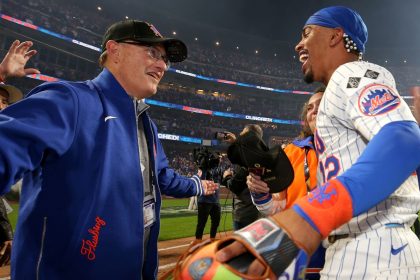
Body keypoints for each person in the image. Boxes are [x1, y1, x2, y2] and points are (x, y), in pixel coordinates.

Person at [0, 20, 217, 279]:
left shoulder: (147, 125)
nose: (162, 66)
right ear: (114, 50)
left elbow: (163, 179)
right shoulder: (68, 100)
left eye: (165, 60)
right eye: (152, 53)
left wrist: (198, 185)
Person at [215, 6, 420, 279]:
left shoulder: (350, 73)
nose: (299, 43)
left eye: (307, 33)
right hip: (355, 248)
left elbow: (404, 140)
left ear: (336, 36)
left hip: (375, 251)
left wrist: (310, 216)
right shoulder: (337, 97)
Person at [246, 87, 325, 279]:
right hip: (299, 255)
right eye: (310, 107)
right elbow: (275, 207)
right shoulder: (290, 153)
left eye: (321, 104)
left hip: (345, 255)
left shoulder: (355, 148)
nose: (313, 111)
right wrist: (260, 193)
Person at [222, 125, 263, 230]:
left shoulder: (247, 162)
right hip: (261, 213)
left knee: (242, 245)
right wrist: (235, 142)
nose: (240, 134)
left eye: (243, 133)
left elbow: (234, 186)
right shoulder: (263, 156)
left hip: (245, 214)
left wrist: (227, 177)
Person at [192, 153, 225, 244]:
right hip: (204, 201)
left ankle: (212, 239)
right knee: (201, 222)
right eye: (217, 158)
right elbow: (200, 178)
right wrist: (203, 165)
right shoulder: (203, 169)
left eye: (220, 158)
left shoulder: (219, 169)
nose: (219, 160)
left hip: (215, 201)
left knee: (216, 221)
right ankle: (198, 240)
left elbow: (223, 179)